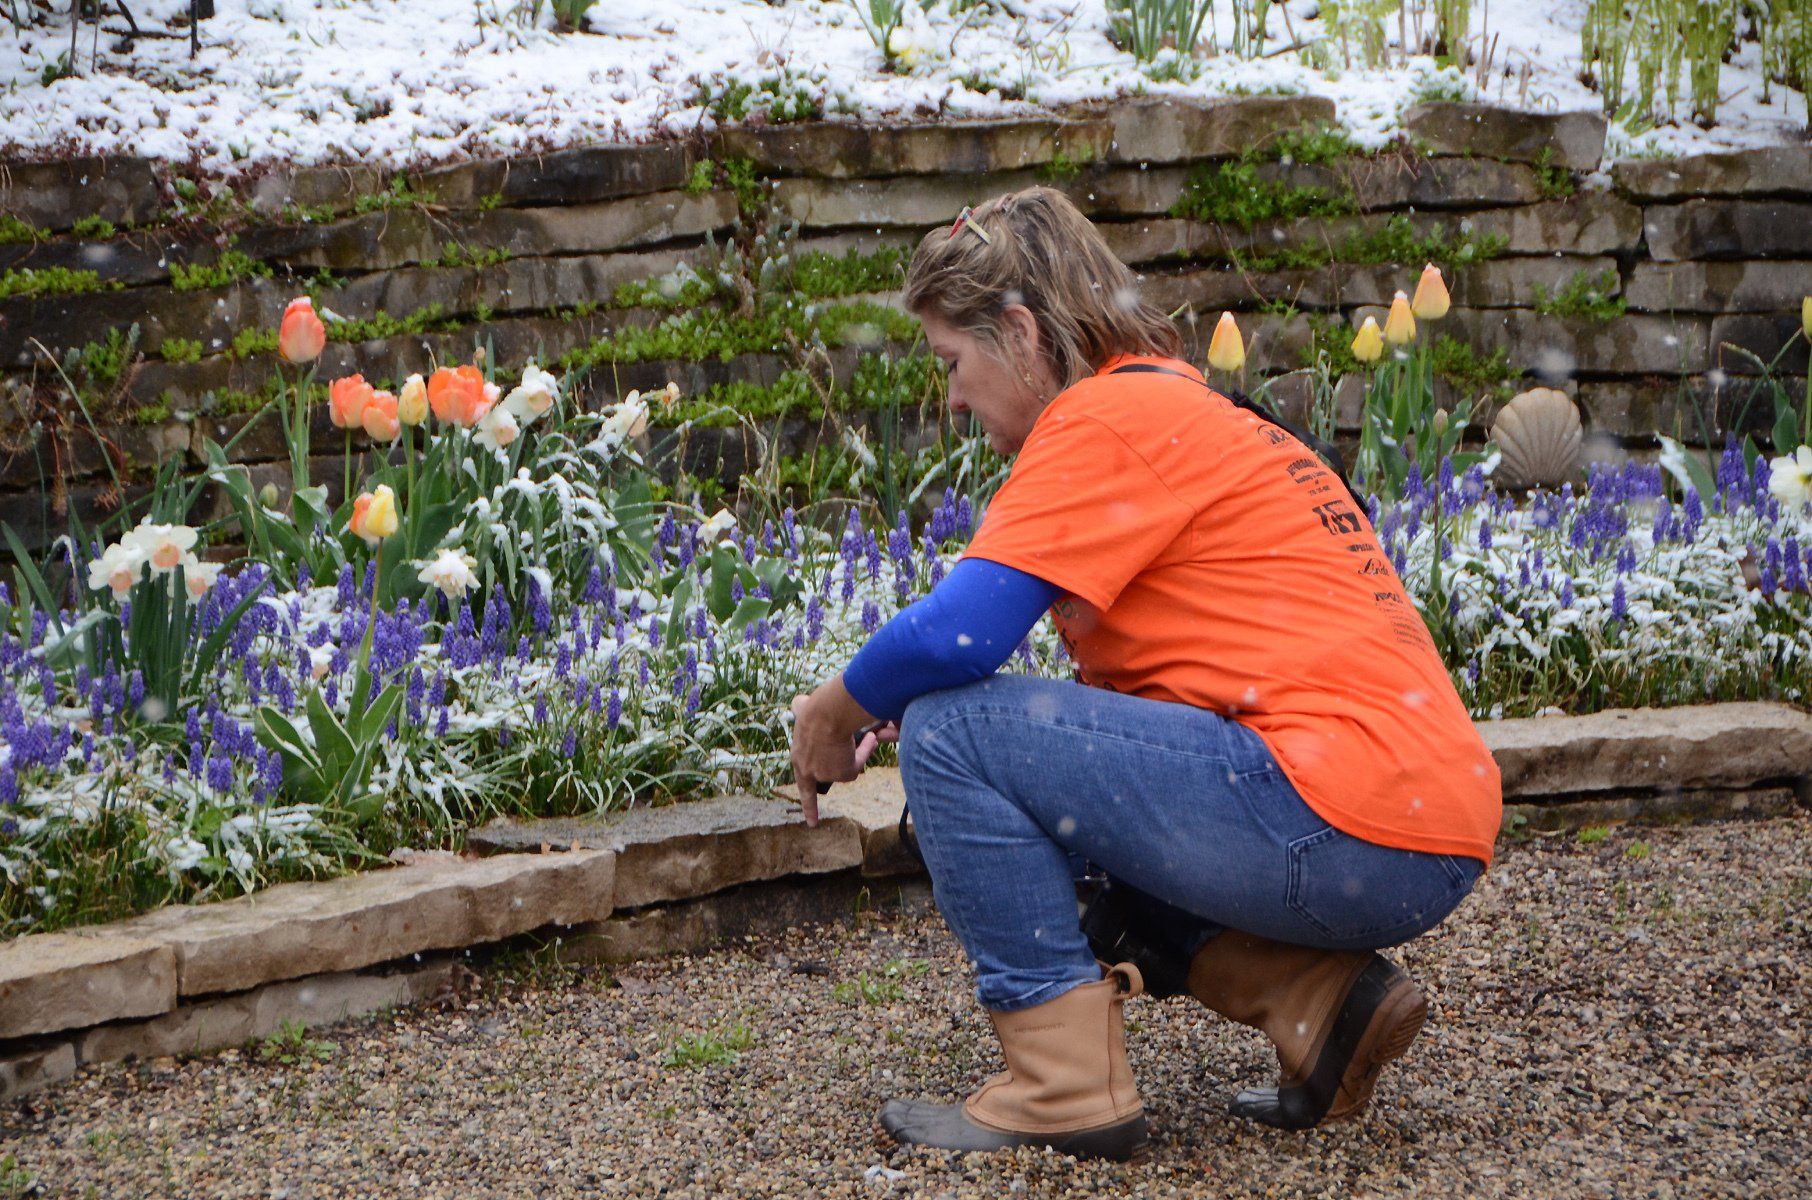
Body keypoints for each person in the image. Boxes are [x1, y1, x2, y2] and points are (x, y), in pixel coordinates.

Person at [787, 186, 1501, 1163]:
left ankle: (1062, 1088)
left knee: (954, 726)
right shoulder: (1193, 409)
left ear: (1022, 333)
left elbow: (960, 640)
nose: (948, 397)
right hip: (1423, 828)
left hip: (1335, 818)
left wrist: (836, 711)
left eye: (953, 362)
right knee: (1021, 790)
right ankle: (1323, 1004)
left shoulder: (1105, 417)